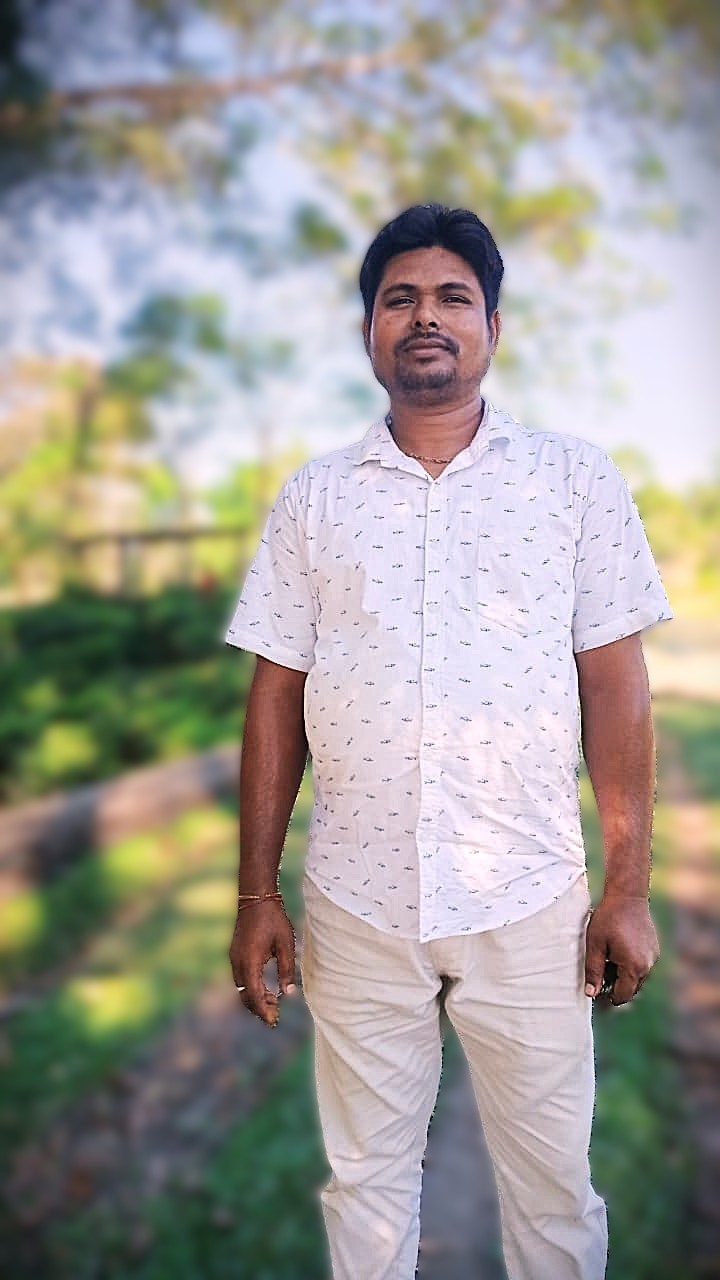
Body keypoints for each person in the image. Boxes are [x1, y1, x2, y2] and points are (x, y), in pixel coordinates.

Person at [225, 203, 673, 1280]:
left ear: (492, 328)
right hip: (356, 900)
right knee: (366, 1186)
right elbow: (276, 694)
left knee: (554, 1190)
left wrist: (627, 887)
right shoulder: (314, 498)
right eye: (400, 299)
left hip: (528, 897)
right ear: (369, 333)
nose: (425, 316)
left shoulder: (574, 481)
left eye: (452, 297)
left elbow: (616, 686)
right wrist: (256, 893)